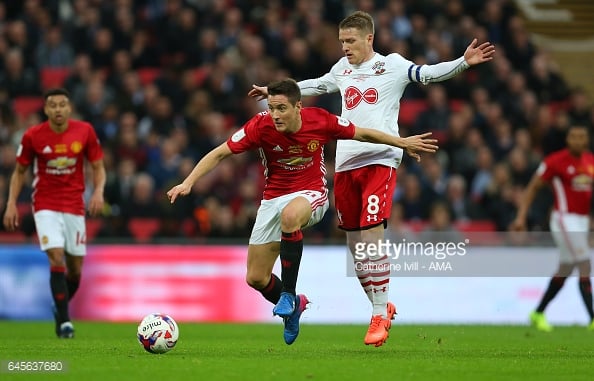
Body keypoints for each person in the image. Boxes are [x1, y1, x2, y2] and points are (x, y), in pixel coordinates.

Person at [249, 10, 495, 346]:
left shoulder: (392, 65)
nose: (345, 47)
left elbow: (427, 74)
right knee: (355, 249)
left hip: (381, 157)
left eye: (350, 41)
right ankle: (382, 305)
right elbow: (316, 84)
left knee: (370, 234)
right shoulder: (342, 69)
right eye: (341, 42)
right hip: (348, 163)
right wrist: (276, 93)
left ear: (369, 38)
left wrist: (462, 63)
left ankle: (378, 314)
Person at [168, 78, 438, 345]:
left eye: (281, 108)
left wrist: (401, 142)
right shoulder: (260, 126)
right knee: (255, 277)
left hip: (312, 195)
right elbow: (220, 153)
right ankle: (294, 305)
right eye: (272, 108)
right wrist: (188, 182)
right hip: (273, 198)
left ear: (298, 106)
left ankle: (288, 293)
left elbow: (363, 133)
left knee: (290, 216)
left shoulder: (320, 120)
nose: (275, 115)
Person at [3, 88, 105, 338]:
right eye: (53, 105)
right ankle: (65, 322)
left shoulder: (85, 131)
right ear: (46, 110)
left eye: (62, 104)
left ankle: (58, 305)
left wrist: (98, 192)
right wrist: (11, 203)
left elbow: (98, 166)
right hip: (45, 204)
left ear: (69, 108)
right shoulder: (33, 136)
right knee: (56, 257)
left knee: (75, 270)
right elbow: (19, 172)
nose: (58, 109)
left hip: (74, 205)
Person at [511, 124, 594, 332]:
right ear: (567, 140)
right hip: (564, 219)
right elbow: (533, 187)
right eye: (573, 136)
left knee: (566, 269)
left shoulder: (590, 161)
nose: (578, 140)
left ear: (586, 140)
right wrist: (521, 216)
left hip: (582, 221)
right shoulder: (555, 161)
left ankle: (537, 313)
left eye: (581, 137)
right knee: (584, 264)